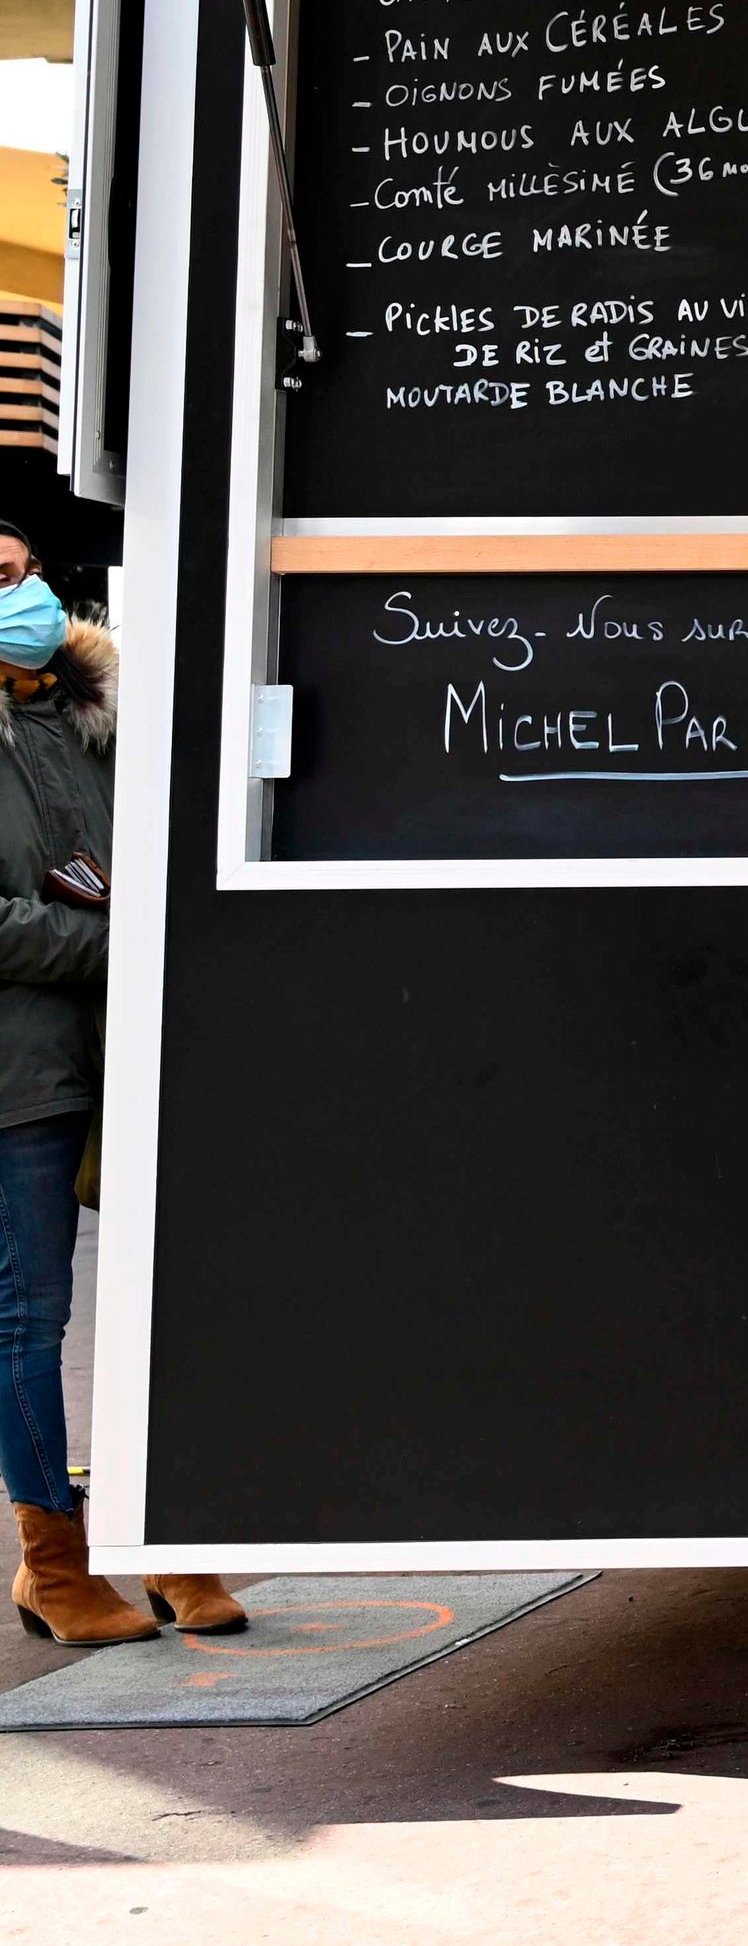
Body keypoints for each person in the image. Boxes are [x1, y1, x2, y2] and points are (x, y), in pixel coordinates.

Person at [0, 531, 236, 1645]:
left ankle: (171, 1539)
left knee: (170, 1301)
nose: (22, 591)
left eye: (22, 569)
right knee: (30, 1317)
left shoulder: (95, 714)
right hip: (19, 1070)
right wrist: (125, 940)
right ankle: (55, 1561)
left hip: (135, 1054)